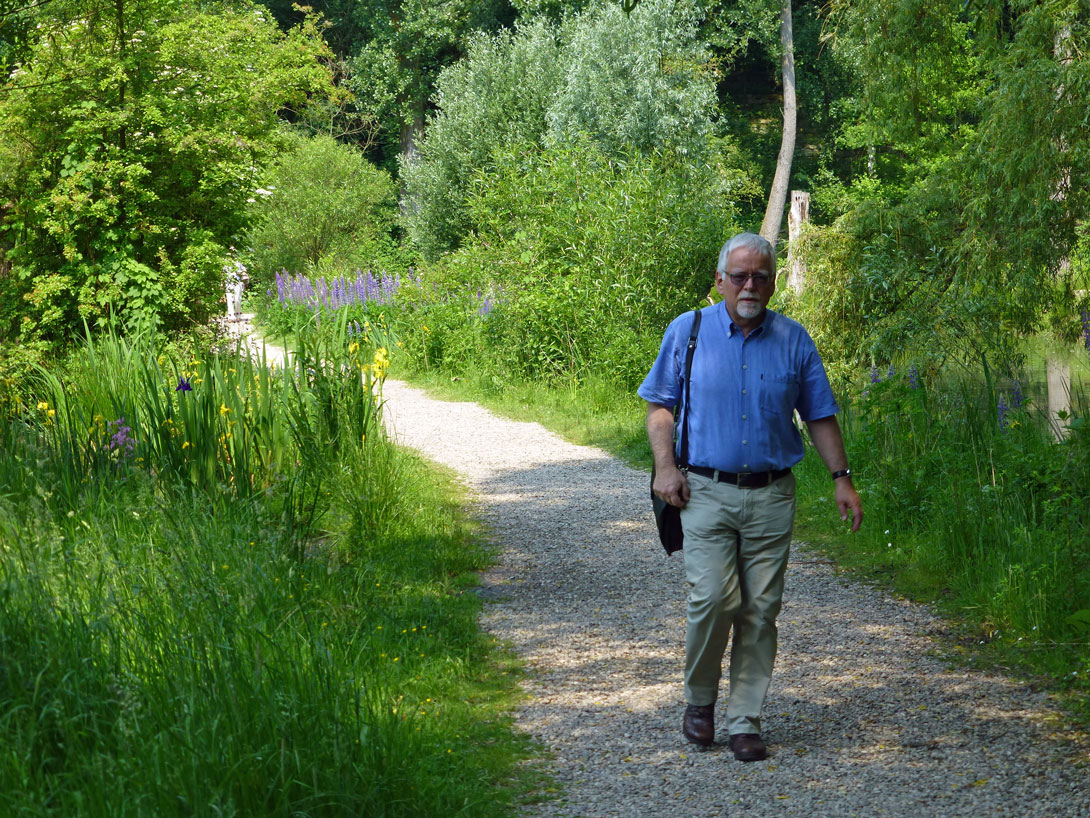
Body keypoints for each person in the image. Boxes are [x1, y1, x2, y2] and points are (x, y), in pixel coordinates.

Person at [638, 232, 863, 762]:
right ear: (720, 280)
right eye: (739, 275)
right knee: (713, 598)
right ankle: (700, 700)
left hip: (771, 495)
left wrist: (841, 478)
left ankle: (745, 720)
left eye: (760, 276)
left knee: (760, 610)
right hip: (704, 491)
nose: (749, 285)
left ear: (773, 282)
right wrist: (665, 468)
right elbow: (659, 407)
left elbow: (819, 415)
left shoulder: (794, 340)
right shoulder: (687, 331)